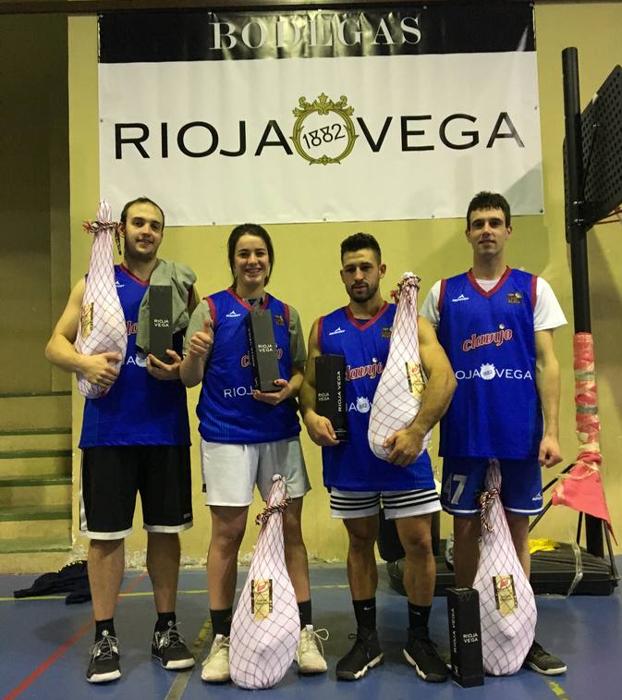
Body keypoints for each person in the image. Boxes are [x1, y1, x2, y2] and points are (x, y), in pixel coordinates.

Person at [45, 197, 197, 683]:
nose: (146, 231)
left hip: (164, 428)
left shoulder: (180, 286)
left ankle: (166, 629)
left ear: (162, 234)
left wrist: (182, 368)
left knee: (165, 532)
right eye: (138, 222)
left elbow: (195, 354)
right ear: (121, 230)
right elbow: (55, 343)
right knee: (107, 539)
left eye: (155, 224)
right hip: (108, 431)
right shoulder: (93, 283)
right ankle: (105, 636)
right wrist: (84, 364)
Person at [420, 191, 568, 675]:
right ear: (467, 232)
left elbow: (548, 363)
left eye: (495, 222)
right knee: (464, 534)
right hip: (464, 435)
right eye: (478, 222)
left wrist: (552, 432)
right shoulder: (441, 294)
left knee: (517, 534)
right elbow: (422, 368)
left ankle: (519, 634)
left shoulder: (532, 288)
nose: (487, 229)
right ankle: (469, 633)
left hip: (519, 435)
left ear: (508, 231)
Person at [300, 233, 456, 682]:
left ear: (381, 270)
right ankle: (366, 638)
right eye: (350, 268)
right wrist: (310, 416)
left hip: (405, 454)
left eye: (366, 267)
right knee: (358, 542)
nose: (358, 275)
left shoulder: (409, 322)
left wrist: (419, 430)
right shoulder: (324, 326)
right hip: (349, 457)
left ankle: (419, 638)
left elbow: (443, 378)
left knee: (420, 544)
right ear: (342, 274)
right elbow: (309, 387)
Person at [179, 223, 327, 683]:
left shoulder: (287, 314)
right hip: (226, 435)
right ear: (233, 261)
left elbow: (301, 371)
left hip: (279, 434)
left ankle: (304, 631)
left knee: (290, 532)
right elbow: (187, 379)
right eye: (243, 253)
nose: (252, 261)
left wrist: (290, 393)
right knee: (229, 532)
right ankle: (222, 639)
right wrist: (195, 353)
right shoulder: (209, 310)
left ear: (269, 260)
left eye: (259, 253)